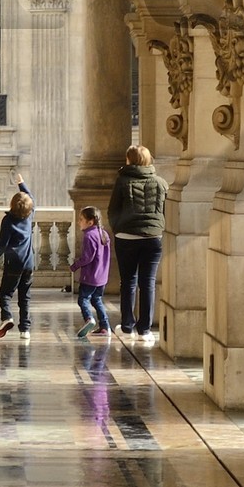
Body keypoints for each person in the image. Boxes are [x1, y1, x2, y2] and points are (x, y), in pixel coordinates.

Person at [107, 143, 167, 345]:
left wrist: (119, 228)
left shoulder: (122, 182)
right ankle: (145, 330)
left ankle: (126, 326)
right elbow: (163, 210)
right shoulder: (160, 182)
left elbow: (112, 209)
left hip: (127, 238)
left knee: (128, 282)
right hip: (152, 239)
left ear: (129, 160)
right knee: (147, 283)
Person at [0, 187, 36, 338]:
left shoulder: (8, 220)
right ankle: (25, 329)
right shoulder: (29, 217)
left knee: (5, 294)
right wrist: (22, 184)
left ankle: (7, 317)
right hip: (29, 263)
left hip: (13, 264)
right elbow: (31, 198)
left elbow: (2, 244)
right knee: (25, 297)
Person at [73, 204, 112, 338]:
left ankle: (89, 319)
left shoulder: (89, 236)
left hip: (90, 276)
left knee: (83, 299)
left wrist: (75, 265)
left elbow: (87, 258)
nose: (79, 222)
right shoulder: (104, 234)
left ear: (90, 222)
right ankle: (105, 326)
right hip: (102, 276)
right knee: (97, 300)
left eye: (81, 219)